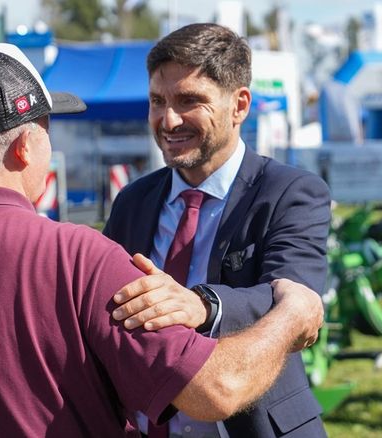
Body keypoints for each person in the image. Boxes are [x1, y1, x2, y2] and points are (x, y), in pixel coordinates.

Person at [0, 43, 325, 438]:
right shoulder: (81, 258)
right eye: (49, 128)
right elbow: (217, 389)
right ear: (26, 147)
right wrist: (291, 317)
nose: (167, 118)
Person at [104, 23, 331, 437]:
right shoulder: (132, 201)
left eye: (189, 100)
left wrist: (203, 306)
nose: (169, 120)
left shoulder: (291, 192)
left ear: (239, 105)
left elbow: (296, 299)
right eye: (157, 101)